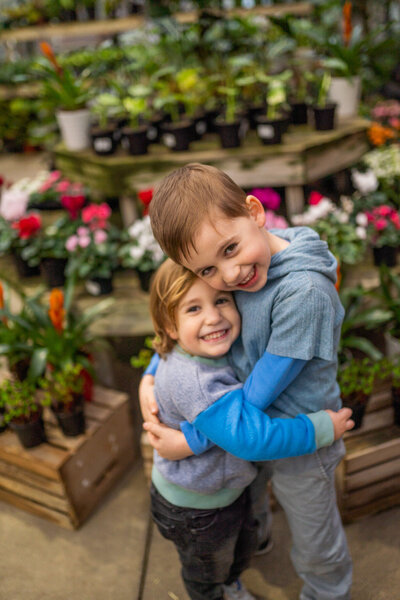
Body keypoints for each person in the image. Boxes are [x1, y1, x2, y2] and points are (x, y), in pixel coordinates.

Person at [141, 163, 354, 600]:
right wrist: (153, 371)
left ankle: (327, 590)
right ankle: (257, 543)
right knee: (249, 505)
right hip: (244, 424)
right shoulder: (246, 255)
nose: (230, 275)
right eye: (207, 271)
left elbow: (261, 387)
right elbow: (184, 320)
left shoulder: (304, 293)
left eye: (230, 249)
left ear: (255, 211)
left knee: (315, 537)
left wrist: (195, 440)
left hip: (298, 429)